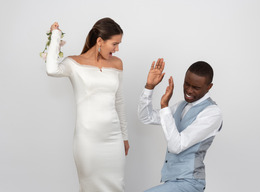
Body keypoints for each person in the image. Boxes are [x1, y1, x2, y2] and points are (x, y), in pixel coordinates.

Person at [45, 18, 129, 192]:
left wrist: (124, 137)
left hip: (114, 139)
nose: (117, 49)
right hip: (88, 140)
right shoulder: (74, 63)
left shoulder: (117, 63)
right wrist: (55, 36)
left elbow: (119, 102)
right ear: (100, 41)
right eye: (114, 44)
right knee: (90, 187)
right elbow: (51, 69)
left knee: (117, 187)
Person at [138, 59, 223, 192]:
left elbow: (176, 146)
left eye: (196, 88)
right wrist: (149, 87)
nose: (189, 90)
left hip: (190, 183)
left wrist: (165, 106)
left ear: (209, 87)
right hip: (171, 181)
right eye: (186, 84)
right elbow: (146, 117)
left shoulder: (212, 113)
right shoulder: (181, 106)